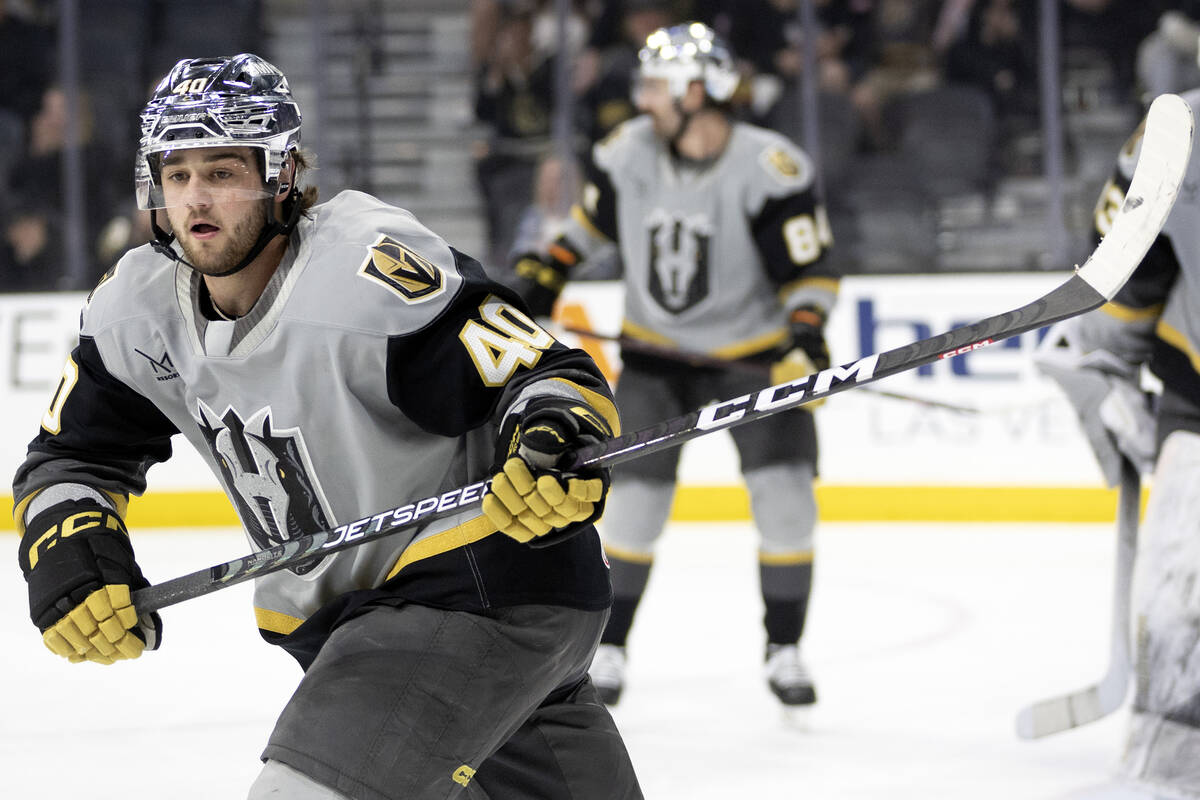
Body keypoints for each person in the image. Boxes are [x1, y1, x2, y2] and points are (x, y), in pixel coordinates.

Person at [11, 53, 642, 800]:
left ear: (283, 176)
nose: (195, 198)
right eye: (176, 174)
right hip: (384, 621)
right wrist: (71, 555)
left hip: (471, 586)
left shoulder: (361, 272)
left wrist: (550, 444)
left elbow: (540, 374)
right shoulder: (136, 309)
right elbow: (67, 458)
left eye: (222, 171)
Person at [512, 22, 837, 707]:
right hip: (656, 357)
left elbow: (809, 272)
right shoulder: (627, 151)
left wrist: (804, 337)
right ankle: (613, 648)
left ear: (703, 89)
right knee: (634, 506)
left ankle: (785, 648)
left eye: (658, 84)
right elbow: (586, 226)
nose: (644, 97)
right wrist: (547, 271)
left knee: (786, 503)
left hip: (751, 360)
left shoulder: (770, 166)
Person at [1035, 89, 1200, 797]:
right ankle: (1171, 763)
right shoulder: (1178, 129)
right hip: (1197, 394)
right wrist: (1098, 359)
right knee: (1177, 593)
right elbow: (1131, 268)